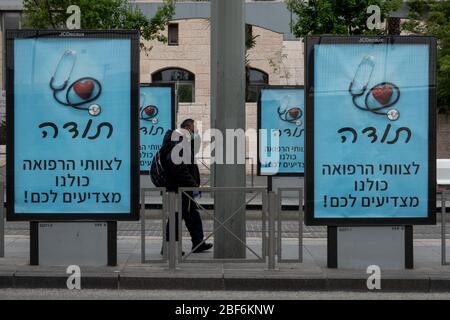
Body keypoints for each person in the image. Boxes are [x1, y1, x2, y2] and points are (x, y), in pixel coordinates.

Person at [161, 119, 213, 254]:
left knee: (192, 216)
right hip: (179, 188)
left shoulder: (180, 142)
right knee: (176, 216)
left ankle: (198, 243)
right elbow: (178, 167)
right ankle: (169, 248)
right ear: (187, 128)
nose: (195, 132)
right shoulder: (177, 143)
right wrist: (192, 183)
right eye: (194, 130)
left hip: (183, 188)